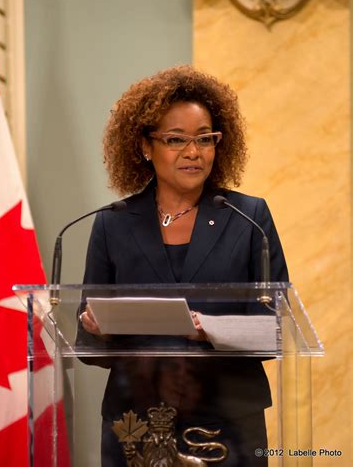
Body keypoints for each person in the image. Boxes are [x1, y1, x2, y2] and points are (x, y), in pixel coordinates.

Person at [77, 65, 288, 466]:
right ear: (145, 145)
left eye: (205, 139)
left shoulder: (248, 217)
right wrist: (98, 328)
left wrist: (202, 328)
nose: (193, 152)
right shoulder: (113, 222)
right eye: (176, 140)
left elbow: (274, 326)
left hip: (228, 421)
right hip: (135, 423)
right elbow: (85, 341)